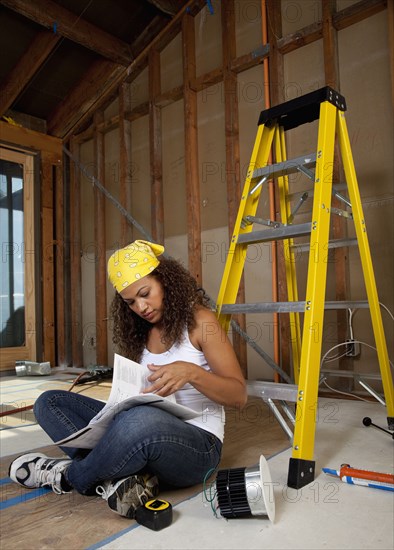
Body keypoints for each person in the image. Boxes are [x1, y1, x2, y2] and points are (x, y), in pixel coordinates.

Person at [9, 240, 247, 518]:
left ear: (165, 280)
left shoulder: (200, 322)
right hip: (142, 432)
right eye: (130, 302)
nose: (141, 307)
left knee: (138, 421)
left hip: (198, 447)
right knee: (50, 402)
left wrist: (192, 372)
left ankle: (70, 477)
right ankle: (119, 480)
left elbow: (239, 395)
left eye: (145, 294)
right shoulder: (140, 331)